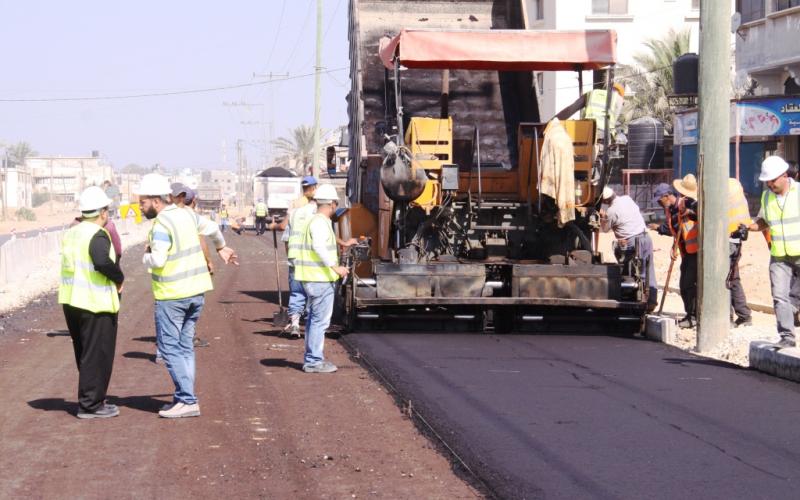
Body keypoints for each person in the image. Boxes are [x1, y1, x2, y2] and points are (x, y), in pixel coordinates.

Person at [137, 173, 238, 418]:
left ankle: (187, 399)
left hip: (173, 295)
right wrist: (221, 247)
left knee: (169, 347)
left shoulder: (161, 224)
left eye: (143, 202)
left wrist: (146, 255)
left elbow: (158, 260)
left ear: (156, 201)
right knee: (184, 347)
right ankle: (184, 397)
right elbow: (214, 229)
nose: (140, 207)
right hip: (196, 292)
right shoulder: (187, 214)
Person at [58, 186, 124, 419]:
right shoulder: (97, 234)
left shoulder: (72, 232)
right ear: (103, 213)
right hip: (94, 303)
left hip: (71, 301)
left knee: (85, 353)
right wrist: (119, 278)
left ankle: (92, 399)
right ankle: (91, 405)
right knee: (98, 354)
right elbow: (101, 261)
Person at [293, 184, 349, 373]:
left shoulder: (314, 221)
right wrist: (336, 268)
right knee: (320, 321)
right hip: (319, 279)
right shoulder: (320, 222)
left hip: (313, 279)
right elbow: (318, 246)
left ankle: (312, 358)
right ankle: (314, 362)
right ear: (333, 204)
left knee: (313, 320)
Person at [747, 156, 800, 348]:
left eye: (772, 180)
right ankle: (787, 336)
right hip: (779, 255)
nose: (769, 184)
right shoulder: (767, 197)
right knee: (779, 296)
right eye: (767, 181)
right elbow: (764, 221)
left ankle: (793, 310)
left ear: (784, 176)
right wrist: (751, 228)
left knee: (792, 298)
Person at [270, 176, 318, 337]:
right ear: (314, 187)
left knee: (297, 292)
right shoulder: (318, 210)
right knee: (313, 293)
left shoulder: (295, 208)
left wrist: (274, 226)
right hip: (312, 260)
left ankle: (295, 324)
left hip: (295, 257)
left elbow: (286, 232)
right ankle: (311, 327)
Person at [648, 179, 698, 328]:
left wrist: (689, 212)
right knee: (685, 285)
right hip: (685, 251)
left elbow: (702, 212)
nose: (659, 203)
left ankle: (693, 317)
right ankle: (691, 315)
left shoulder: (686, 202)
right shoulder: (670, 210)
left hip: (696, 251)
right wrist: (672, 245)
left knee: (688, 285)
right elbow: (675, 230)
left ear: (668, 195)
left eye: (660, 200)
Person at [599, 186, 657, 311]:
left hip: (633, 241)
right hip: (646, 237)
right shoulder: (627, 198)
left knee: (638, 271)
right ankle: (652, 301)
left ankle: (638, 301)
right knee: (649, 269)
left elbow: (604, 229)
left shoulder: (611, 211)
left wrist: (602, 218)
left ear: (605, 201)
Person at [726, 178, 753, 327]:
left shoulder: (721, 189)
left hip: (726, 239)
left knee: (722, 279)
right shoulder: (735, 185)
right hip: (737, 239)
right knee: (733, 278)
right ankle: (744, 315)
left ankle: (726, 317)